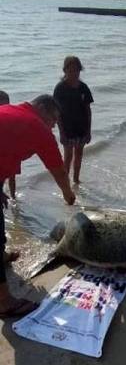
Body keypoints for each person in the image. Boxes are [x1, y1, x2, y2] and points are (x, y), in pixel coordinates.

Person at [0, 94, 76, 318]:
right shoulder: (36, 126)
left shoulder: (13, 112)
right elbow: (58, 170)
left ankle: (2, 255)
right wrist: (68, 194)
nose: (53, 127)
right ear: (42, 109)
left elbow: (4, 149)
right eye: (53, 120)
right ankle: (3, 302)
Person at [53, 56, 93, 184]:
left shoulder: (83, 87)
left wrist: (89, 131)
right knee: (68, 156)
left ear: (80, 70)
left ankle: (76, 179)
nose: (74, 73)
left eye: (76, 70)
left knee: (79, 154)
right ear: (65, 71)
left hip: (82, 127)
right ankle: (66, 182)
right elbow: (57, 112)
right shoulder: (60, 88)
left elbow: (88, 110)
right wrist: (61, 132)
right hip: (67, 128)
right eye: (70, 70)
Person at [0, 91, 16, 199]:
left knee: (12, 175)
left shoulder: (12, 115)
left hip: (11, 149)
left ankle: (13, 197)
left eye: (7, 104)